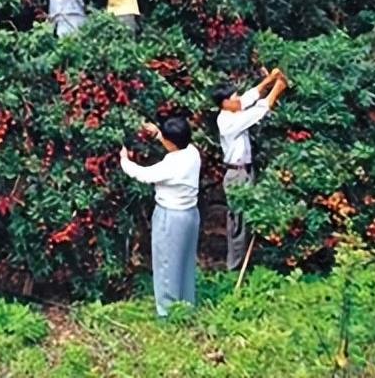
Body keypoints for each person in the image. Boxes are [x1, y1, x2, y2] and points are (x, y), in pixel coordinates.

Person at [120, 116, 202, 316]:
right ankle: (185, 306)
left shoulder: (171, 165)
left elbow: (143, 174)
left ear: (170, 142)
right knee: (184, 261)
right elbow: (174, 145)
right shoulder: (192, 152)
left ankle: (167, 313)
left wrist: (124, 160)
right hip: (190, 215)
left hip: (170, 218)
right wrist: (158, 133)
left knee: (166, 263)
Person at [211, 67, 288, 271]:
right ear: (225, 103)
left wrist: (269, 79)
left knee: (249, 216)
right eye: (234, 98)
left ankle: (247, 261)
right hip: (236, 174)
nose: (238, 100)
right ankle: (234, 267)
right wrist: (277, 88)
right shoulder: (228, 121)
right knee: (238, 219)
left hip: (246, 170)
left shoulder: (233, 109)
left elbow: (248, 98)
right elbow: (260, 109)